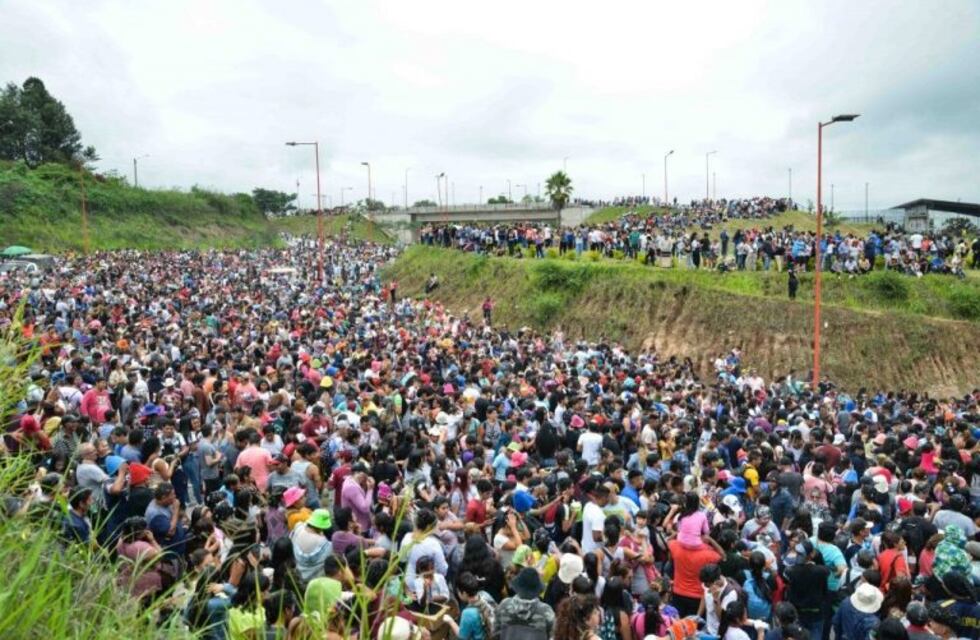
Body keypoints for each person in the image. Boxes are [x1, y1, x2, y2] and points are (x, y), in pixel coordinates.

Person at [495, 567, 556, 640]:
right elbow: (553, 636)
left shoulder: (504, 606)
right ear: (537, 589)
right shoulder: (546, 611)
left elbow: (495, 633)